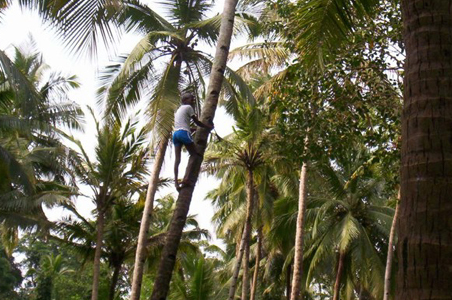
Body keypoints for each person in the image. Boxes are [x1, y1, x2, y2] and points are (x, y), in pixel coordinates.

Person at [173, 92, 213, 191]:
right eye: (191, 99)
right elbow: (197, 122)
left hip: (176, 134)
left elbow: (182, 125)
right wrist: (207, 127)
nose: (193, 101)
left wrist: (194, 129)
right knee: (194, 155)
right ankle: (186, 179)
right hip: (183, 133)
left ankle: (176, 183)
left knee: (177, 160)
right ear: (185, 100)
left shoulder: (179, 110)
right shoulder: (188, 107)